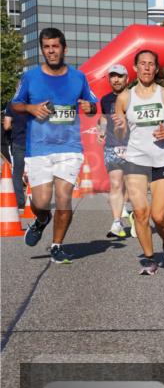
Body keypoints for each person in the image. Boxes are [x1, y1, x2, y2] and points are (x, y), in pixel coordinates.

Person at [11, 27, 98, 263]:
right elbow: (14, 105)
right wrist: (30, 108)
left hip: (70, 148)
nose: (51, 51)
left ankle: (57, 245)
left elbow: (92, 104)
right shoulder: (30, 77)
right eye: (46, 47)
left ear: (64, 49)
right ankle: (42, 219)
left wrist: (90, 107)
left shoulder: (78, 77)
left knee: (63, 198)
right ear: (42, 49)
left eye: (55, 46)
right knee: (40, 203)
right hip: (38, 148)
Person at [114, 50, 164, 275]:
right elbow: (120, 133)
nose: (146, 67)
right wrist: (118, 127)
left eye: (151, 64)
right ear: (135, 68)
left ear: (156, 68)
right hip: (136, 160)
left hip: (162, 161)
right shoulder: (125, 98)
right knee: (141, 213)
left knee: (159, 216)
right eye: (142, 64)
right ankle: (149, 259)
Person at [99, 63, 131, 238]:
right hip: (113, 145)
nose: (116, 79)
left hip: (134, 146)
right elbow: (104, 118)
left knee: (133, 185)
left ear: (127, 78)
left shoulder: (134, 96)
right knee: (116, 184)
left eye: (119, 76)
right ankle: (117, 223)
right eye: (113, 76)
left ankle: (136, 215)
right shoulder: (105, 100)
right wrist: (102, 132)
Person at [2, 100, 28, 212]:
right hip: (35, 142)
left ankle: (20, 203)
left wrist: (16, 127)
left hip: (18, 142)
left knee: (17, 173)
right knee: (37, 171)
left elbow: (6, 126)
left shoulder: (11, 104)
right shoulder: (36, 101)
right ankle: (39, 201)